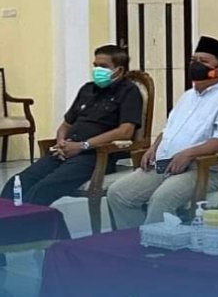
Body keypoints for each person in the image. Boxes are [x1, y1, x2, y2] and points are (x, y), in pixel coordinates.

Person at [107, 36, 218, 228]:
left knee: (162, 198)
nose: (195, 65)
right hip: (167, 164)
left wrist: (188, 154)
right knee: (118, 193)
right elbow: (169, 129)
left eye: (203, 61)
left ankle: (158, 245)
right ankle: (139, 239)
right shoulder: (188, 96)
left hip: (205, 170)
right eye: (193, 60)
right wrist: (154, 148)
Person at [0, 45, 142, 206]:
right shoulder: (87, 89)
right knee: (17, 182)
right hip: (65, 151)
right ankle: (7, 219)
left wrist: (82, 146)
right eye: (95, 65)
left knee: (43, 189)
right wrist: (61, 142)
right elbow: (66, 125)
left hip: (95, 155)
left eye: (103, 66)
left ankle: (27, 221)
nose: (97, 70)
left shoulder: (129, 92)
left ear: (119, 70)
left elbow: (125, 131)